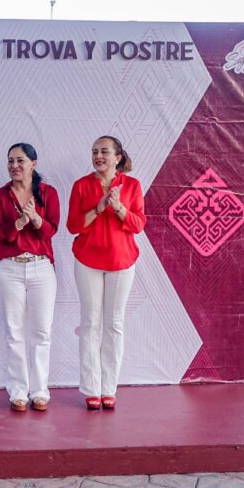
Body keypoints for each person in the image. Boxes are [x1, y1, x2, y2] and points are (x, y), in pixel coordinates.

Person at [66, 135, 146, 410]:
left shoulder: (132, 185)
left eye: (104, 152)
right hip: (87, 260)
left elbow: (138, 225)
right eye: (94, 152)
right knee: (91, 323)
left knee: (114, 324)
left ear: (117, 157)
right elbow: (73, 226)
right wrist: (99, 208)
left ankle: (108, 388)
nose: (98, 156)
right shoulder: (81, 185)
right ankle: (91, 388)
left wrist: (119, 207)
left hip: (122, 262)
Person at [0, 143, 60, 412]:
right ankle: (18, 391)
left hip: (41, 267)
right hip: (9, 268)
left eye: (20, 160)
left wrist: (35, 219)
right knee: (13, 331)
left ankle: (40, 391)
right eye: (10, 161)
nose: (14, 165)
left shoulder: (48, 193)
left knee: (41, 332)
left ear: (34, 164)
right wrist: (19, 223)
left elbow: (51, 230)